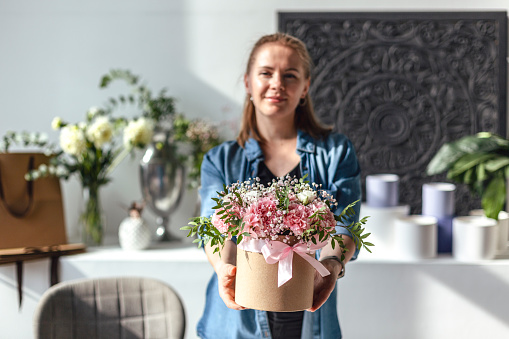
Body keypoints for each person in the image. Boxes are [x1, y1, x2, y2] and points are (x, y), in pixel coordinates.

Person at [197, 32, 361, 339]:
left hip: (311, 314)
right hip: (236, 323)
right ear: (248, 82)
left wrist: (332, 263)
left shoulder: (337, 152)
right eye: (266, 73)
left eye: (290, 75)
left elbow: (344, 227)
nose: (277, 84)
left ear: (305, 87)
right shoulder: (220, 160)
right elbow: (214, 227)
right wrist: (225, 269)